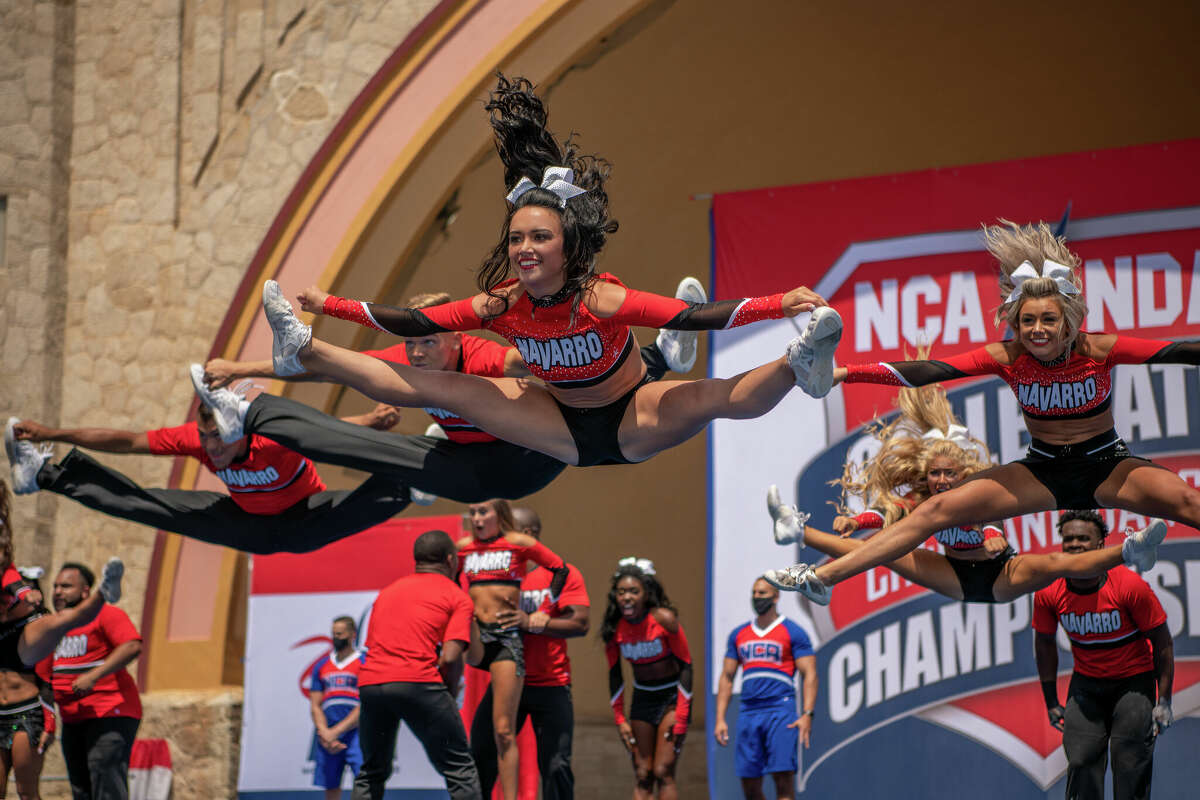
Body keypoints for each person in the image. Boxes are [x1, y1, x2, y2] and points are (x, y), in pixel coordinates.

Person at [255, 74, 840, 470]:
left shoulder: (601, 299)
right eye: (516, 238)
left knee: (714, 397)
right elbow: (414, 322)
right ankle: (302, 351)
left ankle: (799, 364)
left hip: (629, 418)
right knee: (439, 386)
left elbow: (695, 314)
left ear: (568, 245)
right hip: (555, 423)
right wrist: (327, 304)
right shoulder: (502, 305)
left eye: (540, 237)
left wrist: (779, 304)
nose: (525, 248)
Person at [767, 219, 1193, 602]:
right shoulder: (1007, 357)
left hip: (1107, 464)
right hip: (1042, 470)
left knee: (1186, 502)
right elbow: (930, 370)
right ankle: (825, 577)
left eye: (1048, 320)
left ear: (1069, 321)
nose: (1038, 331)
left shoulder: (1099, 349)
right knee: (937, 510)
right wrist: (848, 372)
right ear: (1015, 322)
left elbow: (1178, 351)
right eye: (1027, 321)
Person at [196, 281, 706, 504]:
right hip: (466, 465)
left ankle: (662, 354)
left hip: (524, 453)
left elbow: (573, 365)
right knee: (385, 439)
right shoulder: (407, 362)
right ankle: (251, 411)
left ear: (453, 337)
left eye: (427, 343)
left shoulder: (489, 358)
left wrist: (635, 359)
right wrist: (240, 367)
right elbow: (330, 373)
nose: (416, 354)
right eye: (410, 344)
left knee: (586, 402)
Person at [766, 381, 1158, 603]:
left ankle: (1129, 551)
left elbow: (990, 526)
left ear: (962, 473)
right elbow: (887, 517)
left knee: (1057, 563)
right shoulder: (923, 502)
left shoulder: (975, 495)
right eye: (934, 473)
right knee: (883, 550)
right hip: (953, 574)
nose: (940, 480)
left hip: (1000, 572)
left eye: (948, 473)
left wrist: (990, 538)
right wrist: (857, 519)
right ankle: (797, 533)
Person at [4, 384, 413, 554]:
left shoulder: (273, 440)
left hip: (304, 515)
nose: (212, 449)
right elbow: (127, 441)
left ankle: (409, 483)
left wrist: (373, 422)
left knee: (349, 503)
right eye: (205, 439)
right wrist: (53, 431)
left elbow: (332, 433)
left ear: (241, 430)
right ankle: (44, 476)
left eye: (220, 438)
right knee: (149, 505)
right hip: (247, 523)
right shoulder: (195, 439)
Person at [1033, 510, 1174, 800]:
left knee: (1130, 763)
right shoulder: (1049, 590)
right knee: (1081, 763)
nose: (1074, 544)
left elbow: (1162, 643)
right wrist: (1050, 702)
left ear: (1101, 545)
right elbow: (1045, 645)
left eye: (1083, 538)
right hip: (1087, 685)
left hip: (1133, 684)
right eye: (1068, 538)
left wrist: (1164, 701)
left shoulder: (1129, 586)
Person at [352, 530, 481, 800]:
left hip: (372, 685)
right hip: (417, 682)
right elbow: (451, 656)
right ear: (450, 560)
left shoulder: (386, 593)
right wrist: (448, 691)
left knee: (372, 771)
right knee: (460, 768)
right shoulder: (457, 597)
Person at [470, 506, 589, 799]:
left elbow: (580, 623)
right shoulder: (494, 575)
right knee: (480, 758)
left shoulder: (562, 573)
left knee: (556, 766)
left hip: (551, 684)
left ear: (528, 535)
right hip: (507, 683)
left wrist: (537, 623)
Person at [38, 562, 139, 800]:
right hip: (73, 719)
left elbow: (132, 646)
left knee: (105, 782)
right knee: (81, 789)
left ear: (85, 591)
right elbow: (46, 683)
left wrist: (94, 676)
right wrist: (48, 725)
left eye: (66, 586)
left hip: (110, 713)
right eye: (55, 586)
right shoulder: (54, 627)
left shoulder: (106, 614)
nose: (58, 591)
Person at [714, 577, 816, 800]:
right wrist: (720, 718)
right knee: (749, 784)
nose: (757, 598)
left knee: (783, 780)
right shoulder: (739, 634)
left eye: (762, 593)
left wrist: (807, 713)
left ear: (776, 597)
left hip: (780, 710)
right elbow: (727, 677)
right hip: (749, 712)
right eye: (754, 593)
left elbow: (809, 674)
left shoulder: (793, 631)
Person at [602, 558, 692, 800]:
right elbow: (615, 675)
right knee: (643, 773)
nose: (627, 597)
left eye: (634, 591)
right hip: (642, 698)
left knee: (663, 771)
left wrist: (682, 716)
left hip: (672, 697)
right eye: (621, 592)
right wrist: (620, 718)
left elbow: (686, 666)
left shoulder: (664, 619)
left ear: (646, 594)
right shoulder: (614, 629)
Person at [0, 596, 56, 800]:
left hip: (26, 714)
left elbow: (48, 678)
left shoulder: (36, 623)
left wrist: (50, 722)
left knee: (26, 791)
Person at [308, 616, 365, 800]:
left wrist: (338, 731)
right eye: (333, 634)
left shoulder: (364, 662)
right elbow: (315, 704)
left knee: (364, 781)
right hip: (328, 732)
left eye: (340, 634)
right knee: (331, 785)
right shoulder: (321, 665)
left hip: (357, 732)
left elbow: (366, 704)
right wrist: (325, 732)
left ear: (352, 635)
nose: (335, 638)